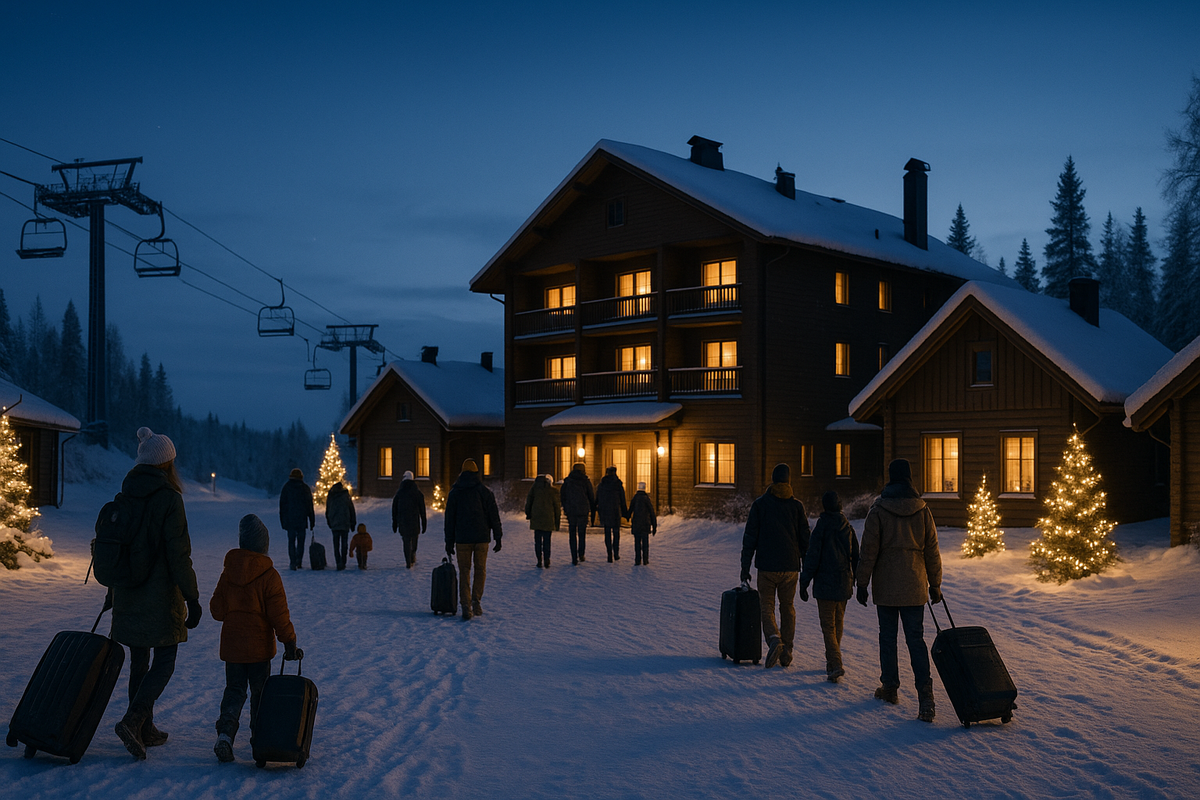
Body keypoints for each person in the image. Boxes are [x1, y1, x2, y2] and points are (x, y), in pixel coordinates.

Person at [111, 427, 202, 761]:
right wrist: (192, 597)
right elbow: (179, 554)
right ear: (167, 463)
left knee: (139, 660)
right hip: (160, 596)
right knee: (165, 661)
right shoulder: (169, 499)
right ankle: (134, 720)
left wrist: (111, 594)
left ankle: (144, 727)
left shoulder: (125, 496)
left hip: (127, 592)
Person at [856, 458, 943, 723]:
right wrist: (935, 584)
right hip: (914, 585)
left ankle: (890, 687)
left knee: (888, 638)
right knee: (916, 640)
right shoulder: (922, 510)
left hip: (886, 586)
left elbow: (868, 550)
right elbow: (932, 549)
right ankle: (926, 698)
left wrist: (862, 582)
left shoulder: (879, 510)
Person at [209, 514, 300, 763]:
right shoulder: (269, 576)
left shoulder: (228, 573)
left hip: (233, 649)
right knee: (260, 695)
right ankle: (260, 740)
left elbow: (216, 610)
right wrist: (289, 642)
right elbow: (279, 616)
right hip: (259, 650)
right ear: (263, 545)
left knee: (234, 691)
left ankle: (225, 735)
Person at [740, 463, 810, 670]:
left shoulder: (760, 505)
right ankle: (787, 650)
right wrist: (807, 570)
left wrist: (745, 567)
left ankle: (773, 639)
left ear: (772, 480)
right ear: (788, 481)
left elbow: (750, 538)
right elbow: (805, 540)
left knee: (766, 607)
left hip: (767, 567)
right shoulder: (796, 507)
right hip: (790, 567)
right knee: (788, 607)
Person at [798, 491, 860, 682]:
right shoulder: (848, 527)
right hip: (843, 582)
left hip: (825, 584)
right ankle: (833, 661)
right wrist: (858, 581)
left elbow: (812, 557)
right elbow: (856, 557)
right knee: (837, 623)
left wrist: (804, 581)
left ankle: (835, 662)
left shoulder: (821, 527)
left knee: (828, 626)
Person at [444, 458, 503, 620]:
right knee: (480, 570)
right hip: (481, 538)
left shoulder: (455, 493)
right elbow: (493, 516)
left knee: (464, 571)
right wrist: (498, 536)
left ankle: (465, 604)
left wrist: (449, 541)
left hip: (462, 539)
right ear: (477, 473)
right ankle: (476, 601)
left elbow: (450, 520)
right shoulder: (484, 492)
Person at [559, 461, 596, 565]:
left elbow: (562, 496)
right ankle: (581, 554)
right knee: (581, 533)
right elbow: (591, 496)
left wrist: (565, 507)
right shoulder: (585, 481)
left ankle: (574, 556)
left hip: (571, 510)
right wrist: (592, 510)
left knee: (572, 533)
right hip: (583, 510)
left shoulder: (568, 481)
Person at [279, 468, 315, 570]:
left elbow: (282, 506)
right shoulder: (305, 488)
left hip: (290, 520)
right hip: (302, 519)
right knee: (301, 542)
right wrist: (312, 520)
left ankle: (292, 562)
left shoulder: (286, 487)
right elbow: (309, 506)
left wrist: (283, 521)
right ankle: (299, 561)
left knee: (291, 542)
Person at [391, 470, 427, 568]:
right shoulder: (417, 493)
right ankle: (412, 554)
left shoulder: (399, 493)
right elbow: (422, 509)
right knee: (414, 539)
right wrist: (424, 522)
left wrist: (395, 523)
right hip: (414, 521)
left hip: (403, 521)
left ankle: (408, 561)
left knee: (406, 541)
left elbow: (394, 509)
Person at [525, 473, 561, 568]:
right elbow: (557, 507)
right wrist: (557, 522)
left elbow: (528, 503)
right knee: (547, 541)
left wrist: (528, 514)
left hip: (536, 518)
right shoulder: (553, 491)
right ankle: (547, 559)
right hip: (548, 518)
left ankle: (539, 560)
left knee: (537, 541)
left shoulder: (534, 490)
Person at [595, 466, 629, 562]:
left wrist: (596, 510)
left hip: (605, 511)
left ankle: (609, 554)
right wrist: (625, 513)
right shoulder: (618, 484)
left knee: (607, 533)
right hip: (615, 511)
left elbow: (597, 498)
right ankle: (616, 553)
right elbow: (622, 500)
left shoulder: (602, 485)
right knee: (616, 533)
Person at [324, 480, 356, 571]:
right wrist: (353, 522)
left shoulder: (331, 496)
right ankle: (343, 561)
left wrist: (329, 521)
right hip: (345, 522)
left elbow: (328, 509)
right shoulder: (345, 495)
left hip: (335, 523)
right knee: (344, 544)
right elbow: (351, 509)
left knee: (336, 544)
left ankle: (338, 562)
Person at [628, 481, 657, 566]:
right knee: (645, 543)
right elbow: (652, 513)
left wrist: (626, 516)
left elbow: (630, 510)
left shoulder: (635, 498)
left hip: (636, 524)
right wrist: (654, 526)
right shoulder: (646, 499)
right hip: (645, 524)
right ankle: (645, 559)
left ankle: (637, 560)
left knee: (637, 543)